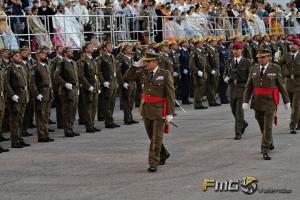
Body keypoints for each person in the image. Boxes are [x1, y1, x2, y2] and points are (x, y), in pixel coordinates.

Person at [123, 52, 175, 173]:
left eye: (148, 61)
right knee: (152, 137)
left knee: (156, 138)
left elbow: (170, 95)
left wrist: (170, 113)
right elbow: (127, 77)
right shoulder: (143, 72)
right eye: (145, 61)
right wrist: (136, 65)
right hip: (146, 109)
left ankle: (153, 162)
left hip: (159, 111)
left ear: (155, 62)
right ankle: (164, 153)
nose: (145, 63)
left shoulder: (165, 74)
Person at [243, 49, 290, 160]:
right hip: (257, 101)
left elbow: (281, 86)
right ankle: (270, 142)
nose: (261, 59)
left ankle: (265, 149)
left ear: (269, 57)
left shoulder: (275, 68)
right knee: (262, 125)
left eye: (263, 57)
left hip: (270, 102)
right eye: (259, 57)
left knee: (268, 126)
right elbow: (249, 86)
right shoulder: (253, 69)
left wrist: (286, 101)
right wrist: (245, 100)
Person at [224, 42, 250, 140]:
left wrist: (249, 91)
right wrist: (225, 78)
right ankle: (243, 123)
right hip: (231, 89)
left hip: (241, 89)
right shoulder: (229, 61)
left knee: (239, 112)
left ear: (241, 50)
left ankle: (238, 132)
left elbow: (249, 77)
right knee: (234, 111)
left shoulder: (246, 62)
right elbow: (225, 73)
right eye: (233, 49)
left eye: (237, 49)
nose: (235, 51)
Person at [4, 51, 30, 148]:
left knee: (20, 119)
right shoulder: (9, 68)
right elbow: (6, 83)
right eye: (16, 56)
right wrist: (12, 95)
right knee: (14, 120)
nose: (18, 57)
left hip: (23, 96)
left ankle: (19, 138)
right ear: (11, 58)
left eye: (19, 56)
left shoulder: (21, 67)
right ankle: (14, 141)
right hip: (15, 96)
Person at [54, 47, 80, 137]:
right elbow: (56, 75)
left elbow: (76, 76)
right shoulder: (62, 62)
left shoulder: (73, 62)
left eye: (72, 51)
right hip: (66, 90)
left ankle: (71, 128)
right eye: (70, 51)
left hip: (74, 89)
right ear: (65, 53)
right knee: (67, 111)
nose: (72, 53)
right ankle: (67, 130)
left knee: (73, 111)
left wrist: (77, 87)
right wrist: (65, 84)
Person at [30, 49, 54, 143]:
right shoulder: (35, 68)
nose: (45, 55)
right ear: (37, 56)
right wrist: (36, 94)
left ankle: (46, 134)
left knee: (46, 115)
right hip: (41, 92)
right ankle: (42, 136)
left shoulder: (46, 67)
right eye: (42, 54)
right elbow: (32, 83)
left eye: (45, 54)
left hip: (48, 92)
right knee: (40, 115)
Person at [277, 38, 300, 134]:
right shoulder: (286, 55)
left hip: (299, 82)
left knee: (296, 105)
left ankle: (292, 125)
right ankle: (298, 120)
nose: (292, 46)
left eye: (294, 44)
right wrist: (276, 58)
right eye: (291, 44)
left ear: (298, 46)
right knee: (292, 105)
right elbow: (277, 64)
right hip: (288, 83)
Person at [78, 43, 101, 133]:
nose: (92, 48)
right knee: (88, 107)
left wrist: (98, 86)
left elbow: (97, 74)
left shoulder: (93, 60)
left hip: (94, 85)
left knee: (94, 106)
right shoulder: (83, 61)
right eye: (90, 47)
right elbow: (81, 76)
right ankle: (88, 125)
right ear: (85, 49)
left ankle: (92, 124)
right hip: (88, 86)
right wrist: (88, 86)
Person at [99, 41, 120, 129]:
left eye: (111, 46)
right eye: (109, 46)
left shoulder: (112, 57)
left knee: (112, 103)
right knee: (107, 103)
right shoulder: (102, 58)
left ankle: (110, 120)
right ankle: (108, 121)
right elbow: (99, 71)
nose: (111, 47)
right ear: (104, 48)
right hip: (107, 83)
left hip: (113, 82)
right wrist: (103, 81)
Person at [116, 43, 139, 125]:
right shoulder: (121, 60)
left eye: (131, 48)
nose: (130, 49)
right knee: (126, 101)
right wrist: (122, 83)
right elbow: (119, 73)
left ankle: (130, 117)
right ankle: (127, 118)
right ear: (124, 51)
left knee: (131, 101)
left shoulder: (132, 60)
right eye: (128, 48)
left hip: (133, 82)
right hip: (126, 82)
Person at [189, 38, 207, 109]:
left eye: (202, 43)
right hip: (198, 73)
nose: (202, 44)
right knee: (198, 88)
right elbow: (191, 64)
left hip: (203, 72)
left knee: (202, 88)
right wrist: (197, 71)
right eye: (200, 43)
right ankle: (197, 104)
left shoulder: (202, 52)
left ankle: (200, 102)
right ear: (196, 44)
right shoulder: (194, 52)